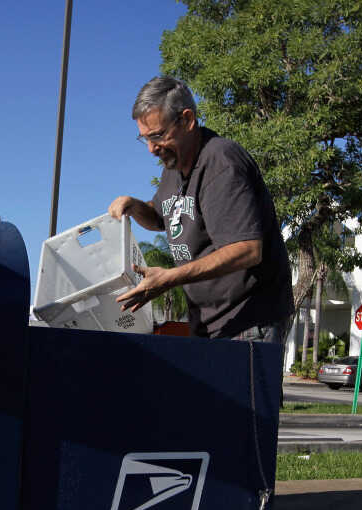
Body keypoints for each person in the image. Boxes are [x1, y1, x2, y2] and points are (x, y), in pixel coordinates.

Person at [109, 76, 293, 342]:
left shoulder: (221, 163)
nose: (151, 149)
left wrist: (170, 278)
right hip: (208, 322)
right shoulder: (173, 168)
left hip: (248, 320)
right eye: (145, 138)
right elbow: (161, 217)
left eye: (158, 136)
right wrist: (135, 206)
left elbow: (247, 250)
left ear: (187, 120)